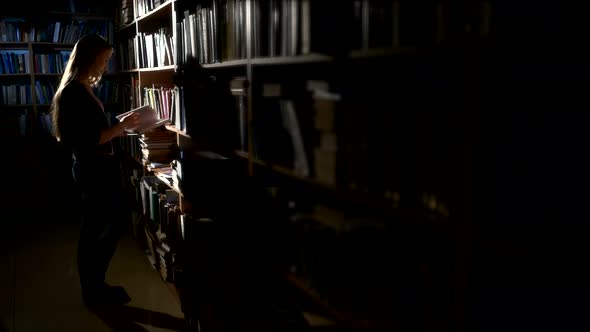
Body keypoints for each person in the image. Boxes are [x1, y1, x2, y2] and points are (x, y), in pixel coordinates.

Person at [50, 33, 141, 308]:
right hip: (93, 169)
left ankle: (95, 285)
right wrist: (120, 128)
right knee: (100, 228)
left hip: (99, 166)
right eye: (104, 59)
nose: (106, 65)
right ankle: (93, 287)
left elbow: (93, 131)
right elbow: (89, 138)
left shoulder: (81, 88)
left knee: (101, 226)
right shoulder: (73, 93)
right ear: (90, 58)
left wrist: (119, 128)